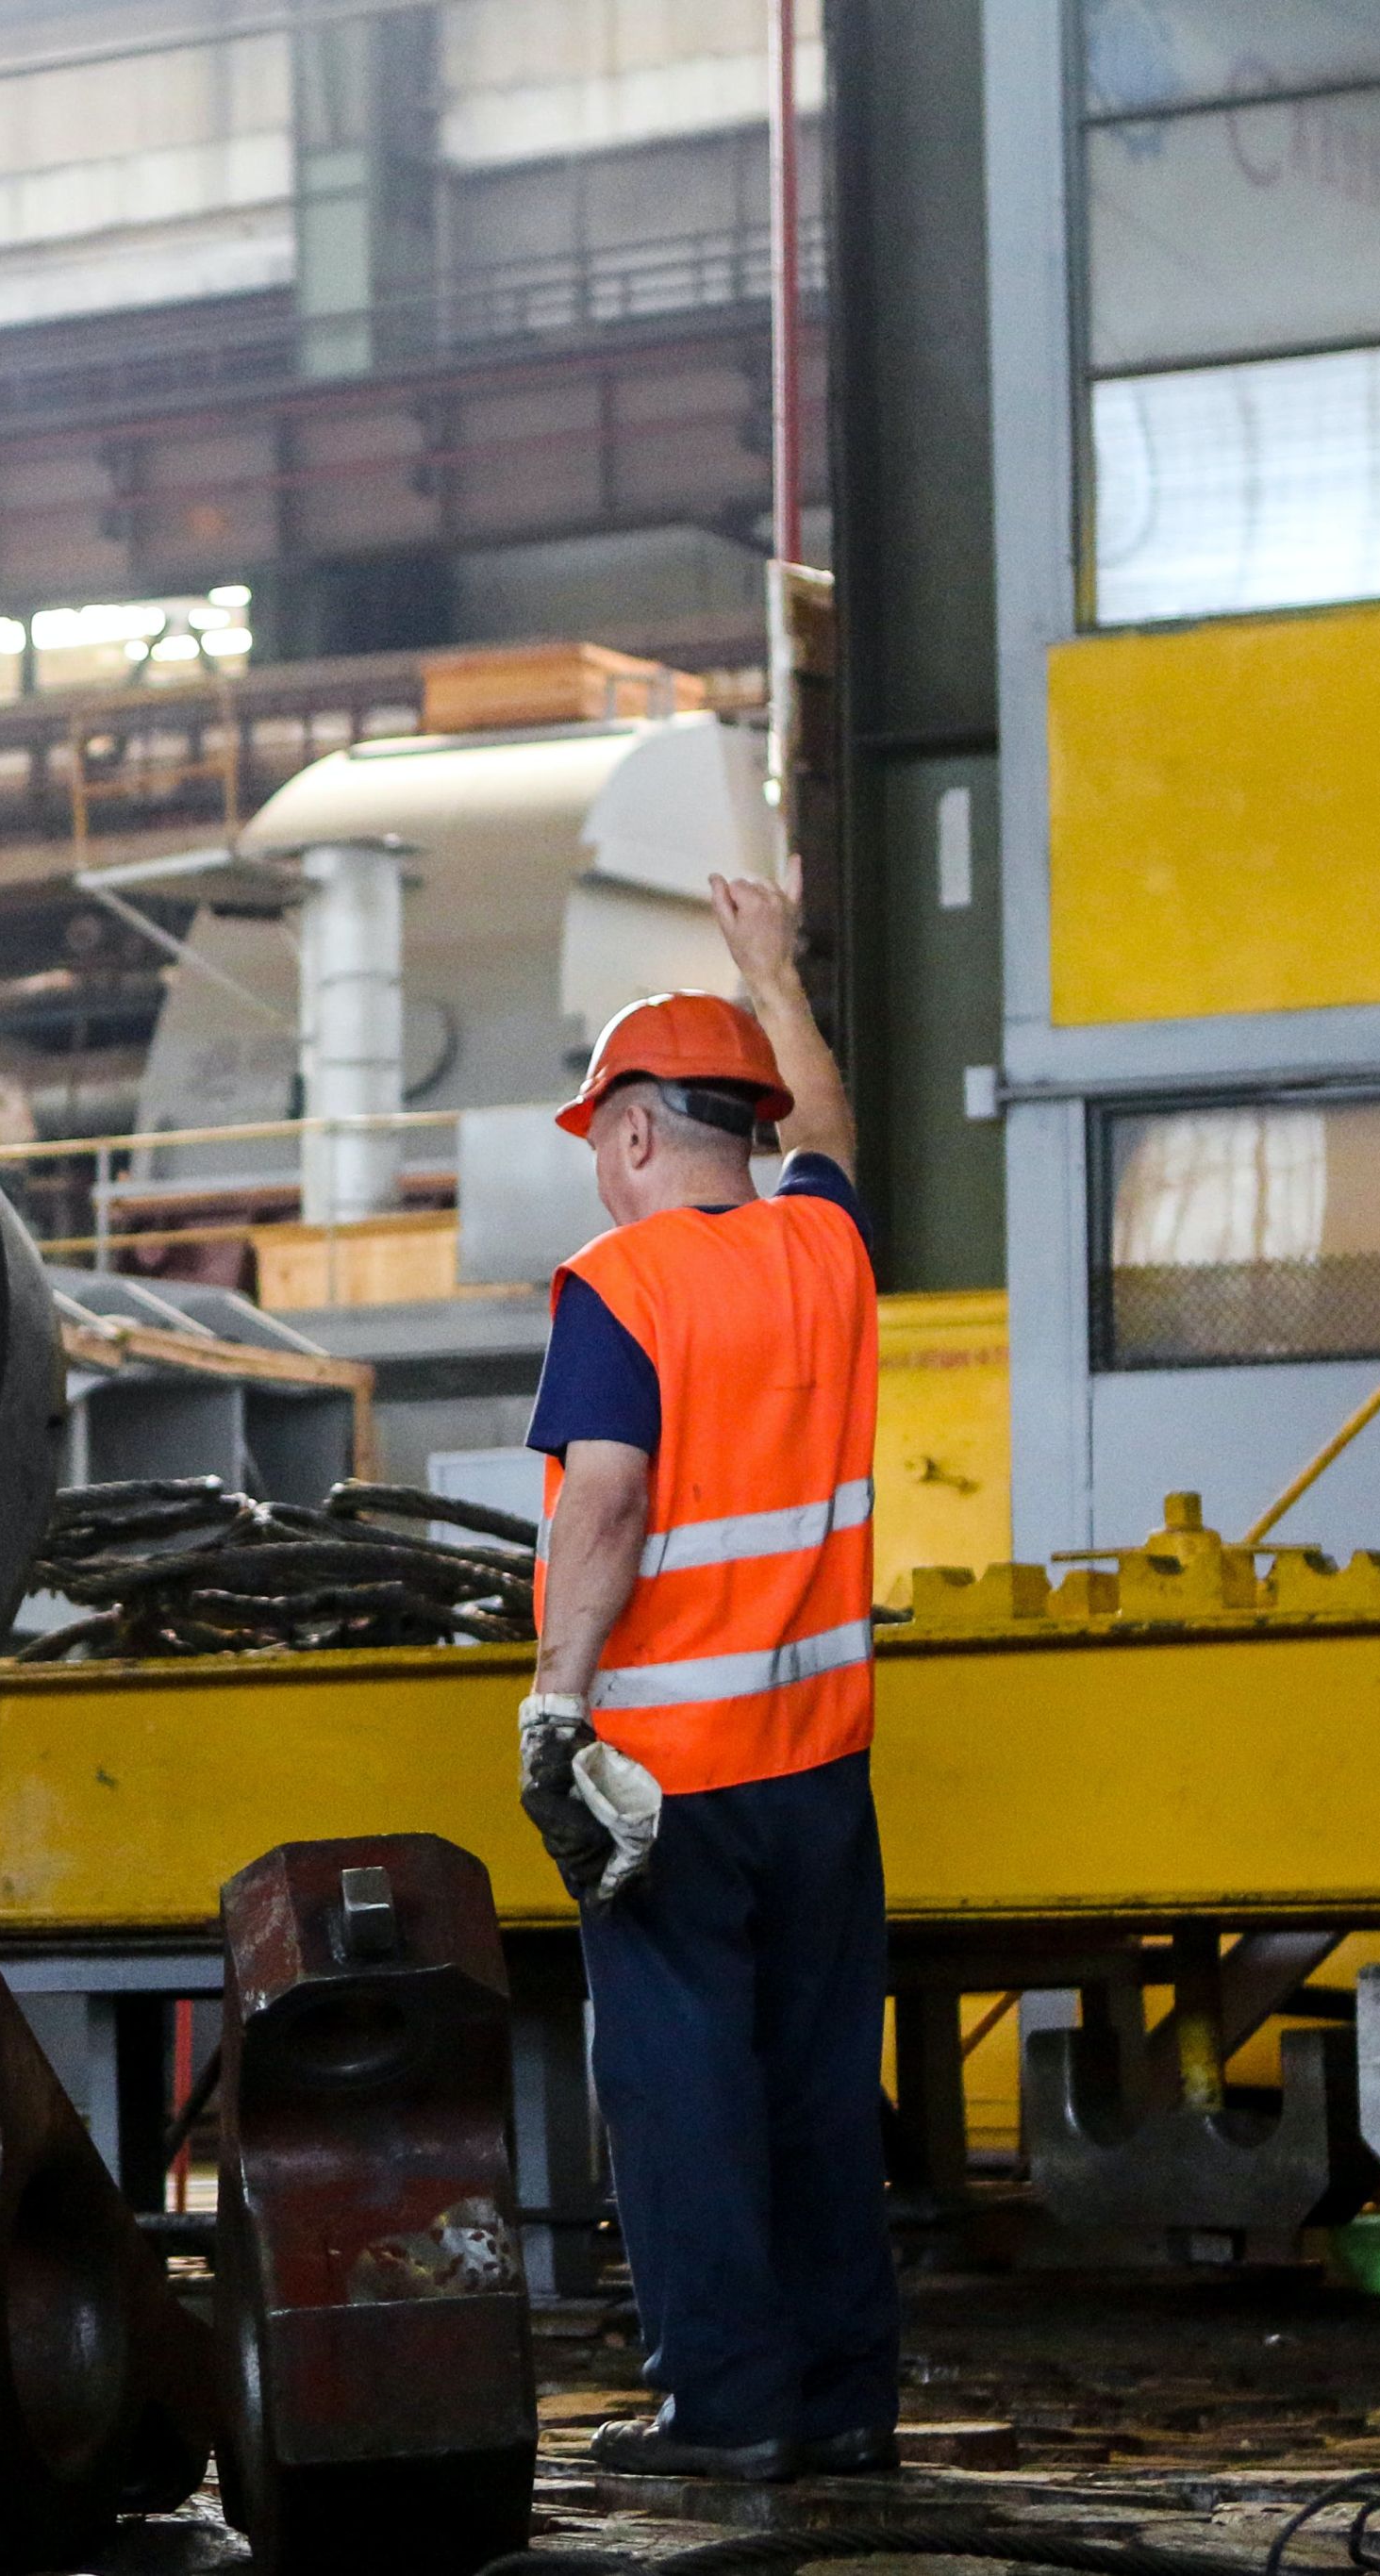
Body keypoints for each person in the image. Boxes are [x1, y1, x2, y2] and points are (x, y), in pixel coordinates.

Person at [515, 873, 896, 2484]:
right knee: (818, 2088)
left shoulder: (625, 1289)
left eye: (601, 1142)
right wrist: (773, 969)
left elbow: (604, 1501)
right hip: (821, 1762)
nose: (601, 1173)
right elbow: (838, 1135)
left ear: (639, 1137)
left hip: (667, 1778)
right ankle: (842, 2409)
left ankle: (725, 2412)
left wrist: (557, 1702)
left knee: (681, 2099)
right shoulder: (828, 1252)